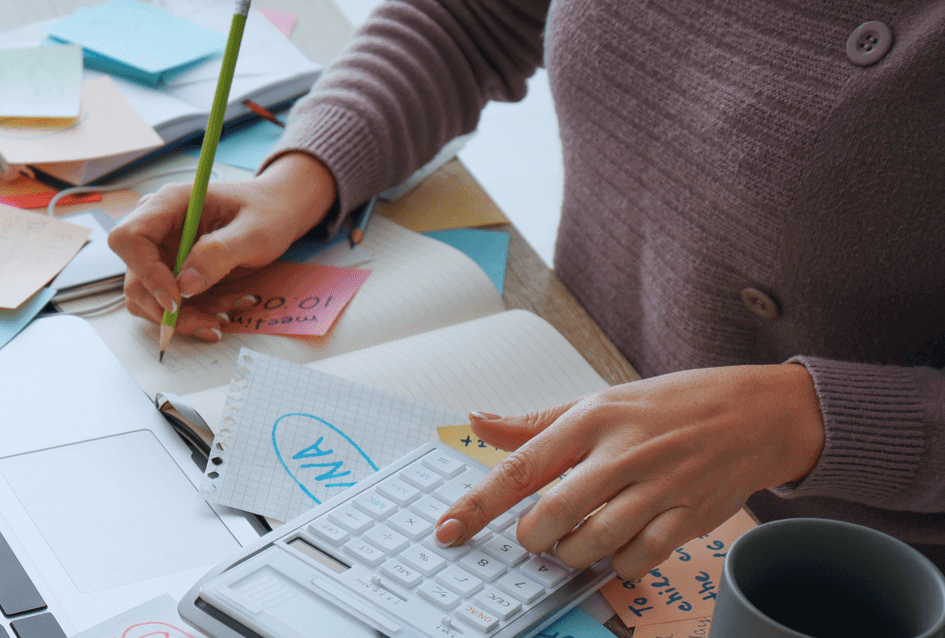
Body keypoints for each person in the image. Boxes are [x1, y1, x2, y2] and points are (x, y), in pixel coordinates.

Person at [108, 0, 945, 579]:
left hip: (846, 600)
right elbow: (470, 20)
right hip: (572, 399)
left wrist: (804, 418)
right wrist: (305, 174)